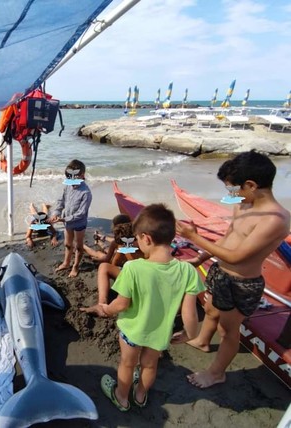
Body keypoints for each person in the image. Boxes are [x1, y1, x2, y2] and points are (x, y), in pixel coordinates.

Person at [175, 150, 290, 389]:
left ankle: (217, 373)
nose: (231, 195)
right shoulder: (243, 204)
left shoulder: (275, 219)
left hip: (242, 283)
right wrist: (201, 256)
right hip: (219, 270)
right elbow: (228, 239)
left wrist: (194, 237)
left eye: (233, 189)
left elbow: (237, 256)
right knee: (210, 309)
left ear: (250, 185)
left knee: (228, 331)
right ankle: (203, 341)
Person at [81, 204, 204, 411]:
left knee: (127, 364)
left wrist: (107, 309)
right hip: (160, 333)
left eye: (137, 238)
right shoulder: (187, 271)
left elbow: (122, 303)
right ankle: (140, 395)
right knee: (149, 365)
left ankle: (121, 396)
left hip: (132, 330)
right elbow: (189, 312)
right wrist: (189, 334)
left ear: (146, 238)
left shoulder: (133, 268)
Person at [83, 216, 143, 307]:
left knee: (100, 255)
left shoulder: (119, 243)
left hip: (126, 270)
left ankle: (85, 246)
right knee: (104, 252)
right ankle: (95, 242)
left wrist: (98, 260)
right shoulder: (140, 241)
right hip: (134, 270)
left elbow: (112, 262)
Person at [49, 159, 92, 278]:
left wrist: (63, 219)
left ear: (82, 175)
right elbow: (61, 201)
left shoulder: (86, 193)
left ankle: (76, 266)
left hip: (79, 223)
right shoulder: (67, 186)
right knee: (68, 244)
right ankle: (66, 263)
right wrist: (56, 213)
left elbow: (81, 213)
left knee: (78, 246)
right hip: (67, 222)